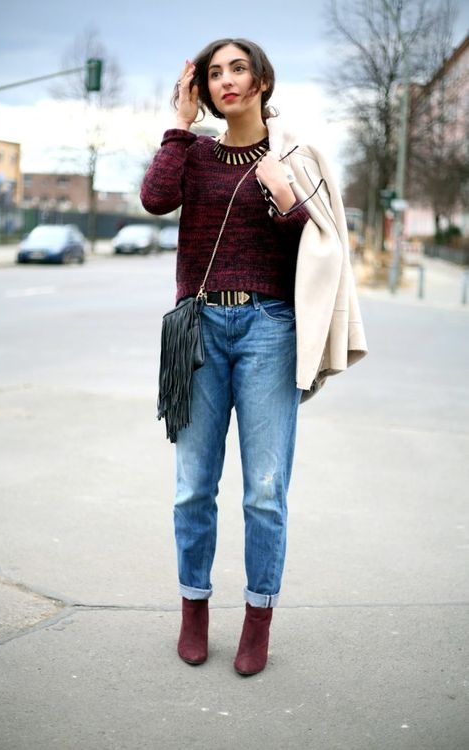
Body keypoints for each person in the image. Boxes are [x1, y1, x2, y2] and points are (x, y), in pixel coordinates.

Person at [141, 38, 367, 676]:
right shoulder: (192, 154)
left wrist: (285, 198)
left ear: (262, 80)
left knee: (265, 490)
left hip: (269, 327)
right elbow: (155, 199)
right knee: (193, 488)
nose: (227, 80)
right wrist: (179, 123)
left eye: (238, 68)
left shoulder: (293, 156)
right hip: (199, 330)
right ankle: (193, 609)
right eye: (214, 73)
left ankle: (258, 618)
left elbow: (321, 249)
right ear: (204, 89)